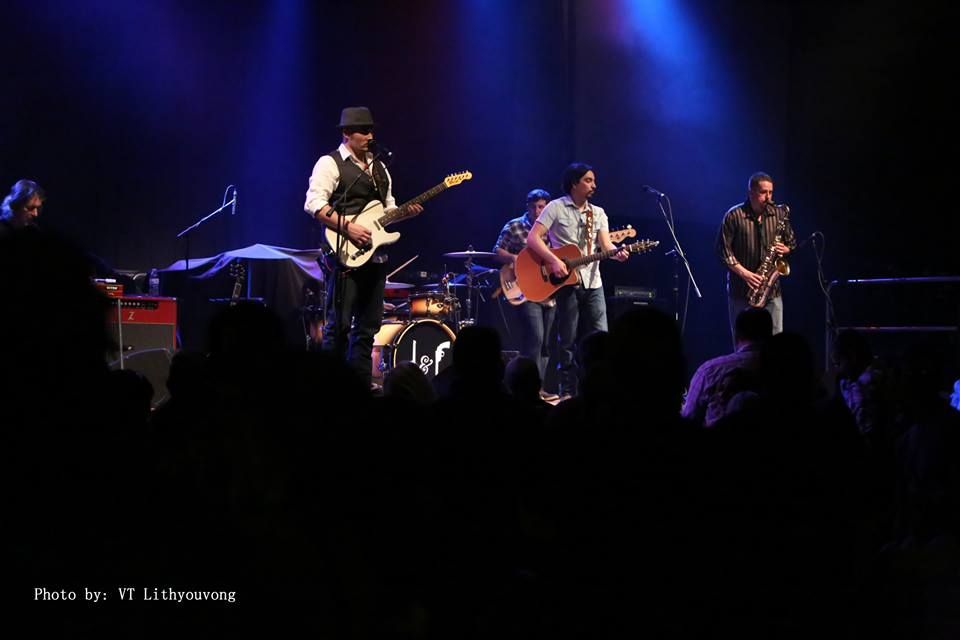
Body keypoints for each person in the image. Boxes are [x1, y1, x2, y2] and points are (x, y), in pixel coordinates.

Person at [303, 106, 423, 386]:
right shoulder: (330, 163)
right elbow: (314, 203)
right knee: (339, 325)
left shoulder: (380, 168)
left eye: (371, 131)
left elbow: (387, 210)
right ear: (347, 133)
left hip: (375, 256)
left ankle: (359, 383)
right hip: (344, 254)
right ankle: (330, 384)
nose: (370, 136)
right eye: (364, 131)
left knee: (368, 326)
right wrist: (348, 227)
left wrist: (404, 214)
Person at [526, 163, 629, 398]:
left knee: (602, 336)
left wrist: (617, 253)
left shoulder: (598, 213)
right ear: (574, 183)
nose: (594, 185)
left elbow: (606, 245)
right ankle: (567, 393)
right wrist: (553, 260)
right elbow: (533, 238)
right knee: (567, 341)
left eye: (593, 181)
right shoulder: (555, 207)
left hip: (594, 282)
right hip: (567, 282)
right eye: (588, 180)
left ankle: (601, 390)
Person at [493, 188, 558, 400]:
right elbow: (497, 251)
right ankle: (529, 389)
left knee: (546, 343)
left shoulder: (553, 228)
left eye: (542, 207)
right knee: (535, 338)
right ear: (528, 207)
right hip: (526, 290)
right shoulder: (514, 226)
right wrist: (514, 259)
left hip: (549, 291)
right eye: (535, 207)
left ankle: (539, 387)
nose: (538, 211)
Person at [716, 171, 795, 339]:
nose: (768, 198)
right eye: (763, 192)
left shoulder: (779, 214)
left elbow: (792, 243)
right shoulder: (734, 216)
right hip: (741, 291)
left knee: (776, 342)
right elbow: (723, 251)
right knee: (743, 342)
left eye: (771, 192)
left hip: (772, 291)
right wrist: (746, 275)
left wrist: (786, 249)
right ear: (750, 193)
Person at [681, 307, 772, 427]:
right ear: (771, 335)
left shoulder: (709, 370)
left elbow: (688, 419)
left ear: (737, 335)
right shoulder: (786, 370)